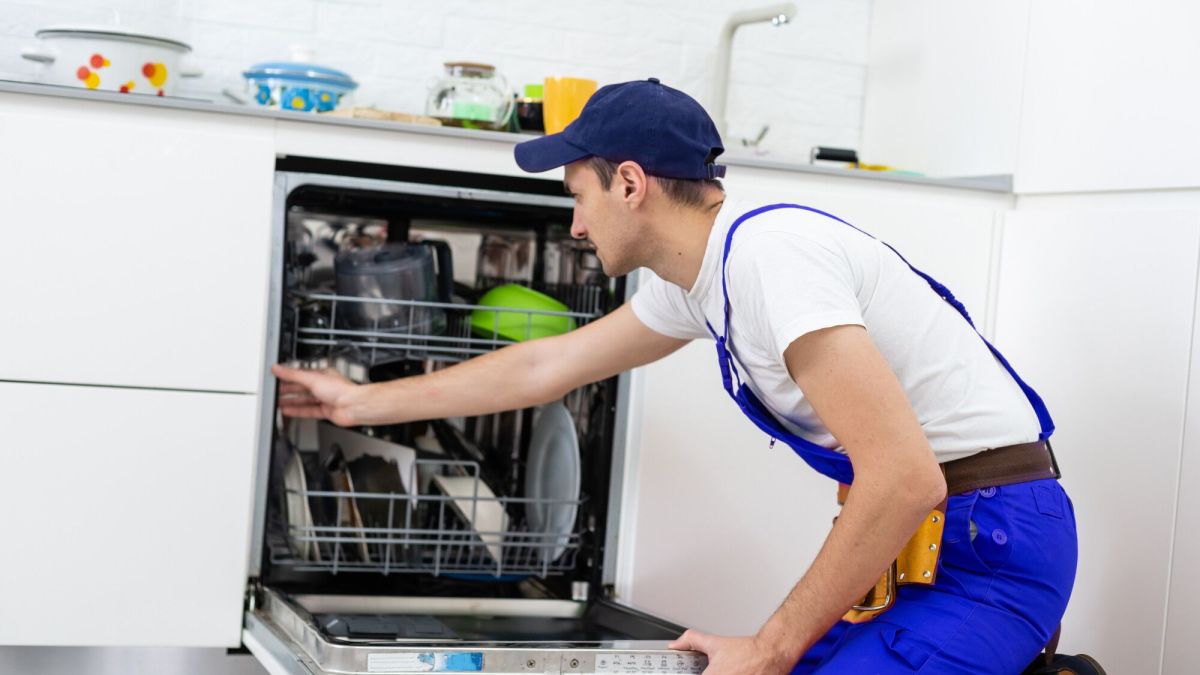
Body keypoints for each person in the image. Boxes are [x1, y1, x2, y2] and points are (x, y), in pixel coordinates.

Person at [273, 78, 1078, 674]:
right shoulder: (698, 281)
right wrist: (359, 400)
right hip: (914, 549)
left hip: (990, 546)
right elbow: (548, 364)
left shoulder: (771, 258)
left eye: (578, 196)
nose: (575, 224)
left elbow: (903, 476)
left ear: (630, 183)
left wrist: (768, 646)